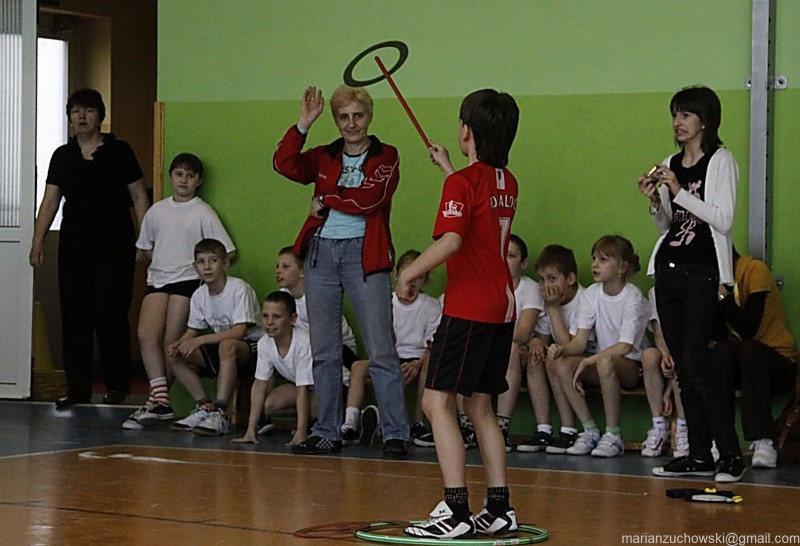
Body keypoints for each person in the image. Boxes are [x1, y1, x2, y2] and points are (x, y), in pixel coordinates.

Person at [398, 88, 520, 539]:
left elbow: (452, 240)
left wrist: (409, 271)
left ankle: (455, 511)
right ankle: (500, 508)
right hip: (502, 306)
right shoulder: (506, 182)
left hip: (469, 307)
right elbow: (480, 211)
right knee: (480, 406)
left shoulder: (462, 185)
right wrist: (451, 168)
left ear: (466, 131)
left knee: (436, 402)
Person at [273, 85, 410, 459]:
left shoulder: (386, 155)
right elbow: (284, 163)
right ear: (335, 119)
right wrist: (303, 124)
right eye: (344, 117)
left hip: (365, 255)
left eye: (358, 116)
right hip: (320, 254)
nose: (351, 124)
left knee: (380, 348)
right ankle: (326, 432)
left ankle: (396, 433)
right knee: (324, 350)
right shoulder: (325, 155)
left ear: (369, 117)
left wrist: (325, 198)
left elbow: (371, 199)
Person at [640, 86, 745, 482]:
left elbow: (723, 219)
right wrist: (656, 200)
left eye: (686, 115)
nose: (678, 122)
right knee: (683, 369)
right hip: (669, 268)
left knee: (698, 365)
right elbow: (668, 225)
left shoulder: (721, 161)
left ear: (705, 120)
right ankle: (698, 455)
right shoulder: (671, 163)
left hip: (702, 271)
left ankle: (730, 454)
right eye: (675, 114)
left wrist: (679, 191)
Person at [29, 88, 150, 409]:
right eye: (76, 111)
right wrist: (37, 240)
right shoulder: (62, 156)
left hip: (115, 243)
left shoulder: (120, 151)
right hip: (74, 246)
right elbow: (50, 202)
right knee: (75, 316)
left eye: (89, 110)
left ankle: (118, 386)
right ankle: (78, 389)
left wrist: (145, 238)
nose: (82, 116)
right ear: (70, 118)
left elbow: (139, 196)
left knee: (111, 314)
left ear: (100, 116)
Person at [123, 153, 236, 430]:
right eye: (179, 174)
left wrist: (202, 271)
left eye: (190, 176)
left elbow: (227, 251)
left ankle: (161, 402)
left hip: (187, 281)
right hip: (159, 279)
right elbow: (145, 248)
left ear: (199, 181)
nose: (184, 180)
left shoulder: (203, 211)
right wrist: (163, 261)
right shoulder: (157, 211)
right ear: (170, 177)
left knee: (171, 343)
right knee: (145, 333)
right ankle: (160, 399)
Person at [548, 235, 649, 458]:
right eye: (594, 258)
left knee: (605, 362)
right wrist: (562, 350)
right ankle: (590, 430)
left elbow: (625, 346)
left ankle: (613, 435)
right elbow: (580, 342)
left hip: (631, 367)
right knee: (563, 365)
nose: (595, 264)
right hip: (602, 363)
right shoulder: (592, 294)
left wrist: (588, 361)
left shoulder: (632, 295)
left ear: (622, 267)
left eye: (603, 259)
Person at [345, 249, 442, 445]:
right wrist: (389, 362)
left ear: (425, 281)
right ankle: (350, 424)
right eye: (408, 273)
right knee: (358, 367)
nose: (412, 281)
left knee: (428, 364)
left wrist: (417, 364)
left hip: (417, 359)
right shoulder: (385, 303)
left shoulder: (431, 306)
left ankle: (417, 423)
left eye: (419, 276)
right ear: (397, 275)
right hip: (389, 356)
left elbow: (432, 345)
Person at [712, 247, 798, 469]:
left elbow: (748, 329)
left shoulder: (754, 270)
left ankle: (764, 440)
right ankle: (721, 439)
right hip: (743, 366)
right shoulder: (709, 281)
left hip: (778, 361)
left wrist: (723, 296)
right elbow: (717, 333)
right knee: (722, 350)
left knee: (749, 349)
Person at [167, 239, 262, 436]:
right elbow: (192, 331)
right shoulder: (199, 295)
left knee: (227, 345)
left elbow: (239, 332)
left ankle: (220, 413)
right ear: (195, 267)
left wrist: (198, 341)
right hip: (222, 348)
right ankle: (205, 406)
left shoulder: (238, 288)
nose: (207, 267)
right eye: (201, 262)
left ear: (225, 264)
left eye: (213, 260)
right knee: (174, 354)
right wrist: (180, 343)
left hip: (253, 349)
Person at [517, 244, 587, 454]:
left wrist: (553, 308)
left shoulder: (583, 299)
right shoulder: (549, 300)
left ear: (570, 279)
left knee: (555, 360)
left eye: (552, 278)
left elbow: (570, 346)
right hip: (564, 357)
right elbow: (544, 337)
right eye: (542, 279)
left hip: (585, 357)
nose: (546, 286)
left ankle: (569, 430)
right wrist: (537, 342)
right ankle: (544, 430)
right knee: (536, 357)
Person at [232, 291, 316, 447]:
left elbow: (303, 389)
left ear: (293, 319)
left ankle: (315, 424)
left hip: (329, 391)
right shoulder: (264, 343)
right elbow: (260, 384)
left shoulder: (304, 343)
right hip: (304, 388)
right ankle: (308, 422)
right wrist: (251, 430)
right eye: (265, 316)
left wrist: (301, 433)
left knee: (314, 408)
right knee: (269, 405)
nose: (269, 322)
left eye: (277, 317)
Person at [494, 234, 543, 452]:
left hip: (515, 354)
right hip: (489, 350)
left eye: (511, 255)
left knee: (512, 349)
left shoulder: (529, 288)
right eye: (501, 254)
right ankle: (467, 426)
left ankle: (501, 427)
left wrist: (491, 341)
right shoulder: (487, 285)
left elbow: (523, 332)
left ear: (524, 263)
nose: (504, 260)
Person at [640, 287, 689, 457]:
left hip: (689, 355)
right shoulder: (655, 291)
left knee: (679, 359)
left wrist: (668, 390)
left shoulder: (694, 287)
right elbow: (658, 332)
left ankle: (683, 427)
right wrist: (665, 354)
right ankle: (659, 425)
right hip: (669, 355)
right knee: (649, 356)